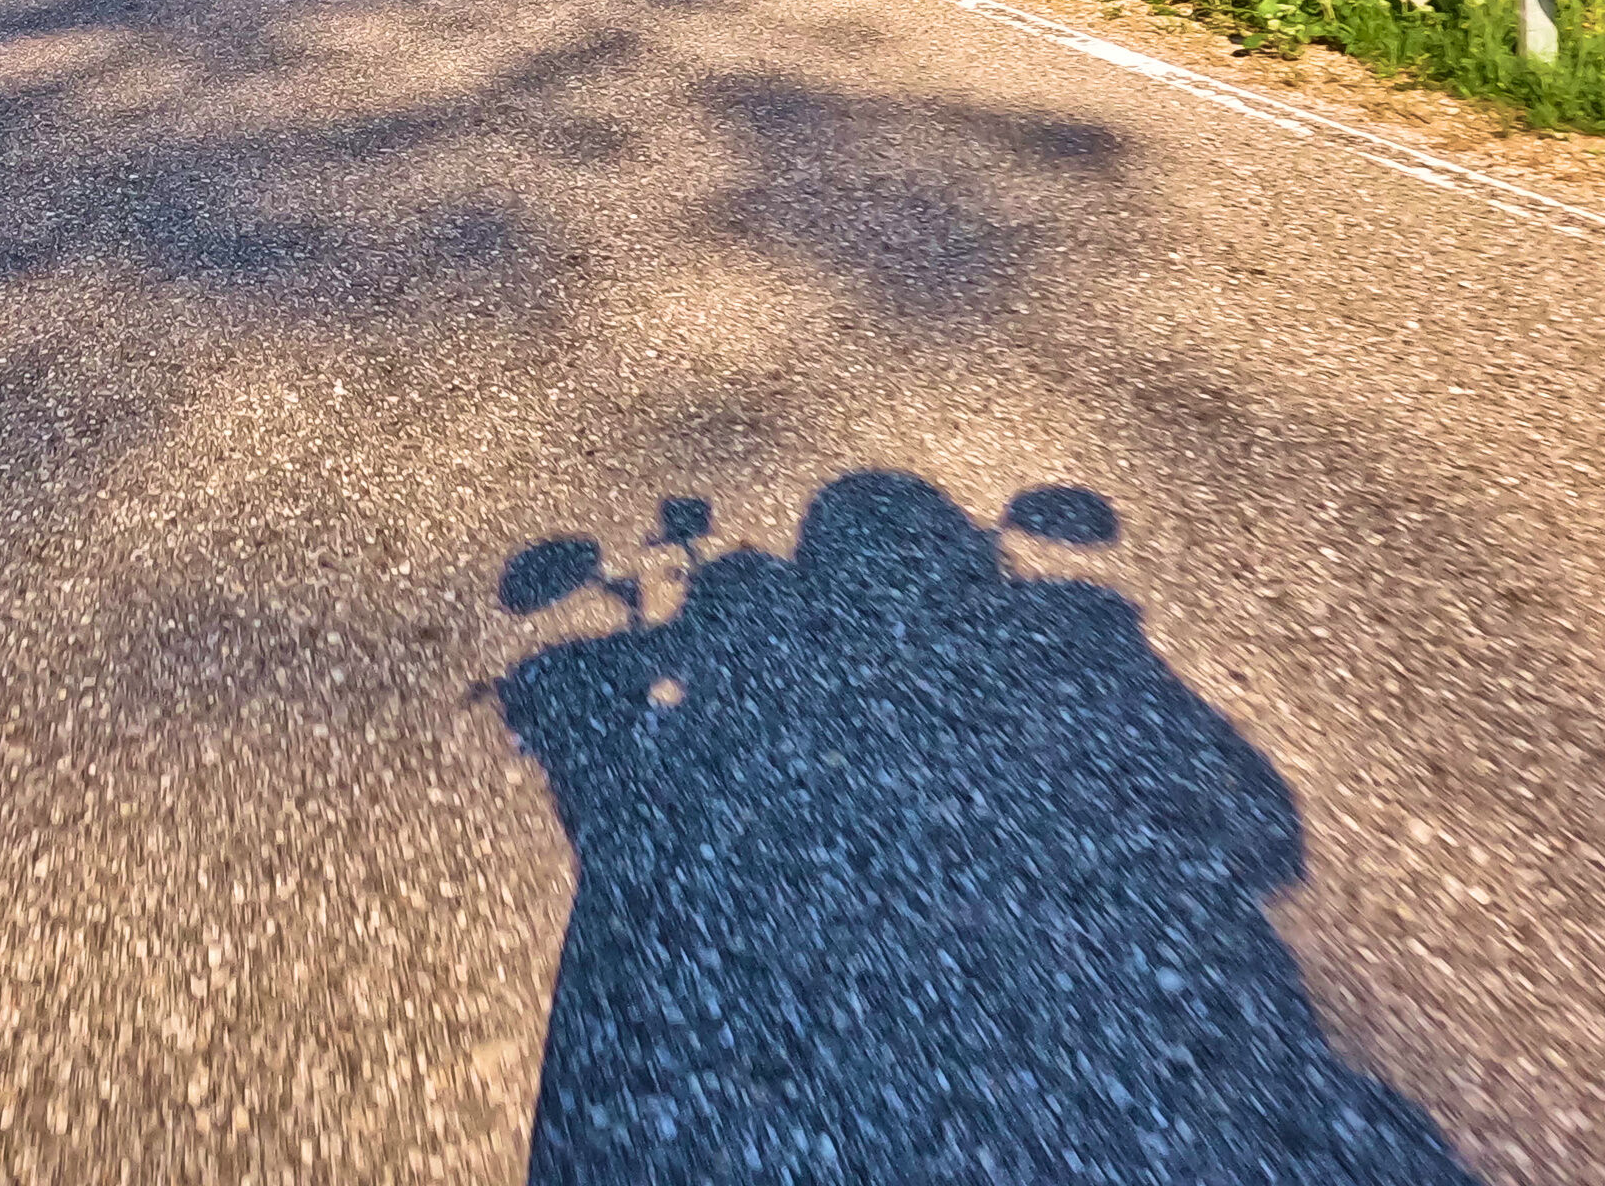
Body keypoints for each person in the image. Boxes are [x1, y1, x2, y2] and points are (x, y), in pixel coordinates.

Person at [497, 473, 1473, 1184]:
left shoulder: (1077, 627)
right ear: (970, 553)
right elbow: (1265, 831)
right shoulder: (1082, 626)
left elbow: (1265, 835)